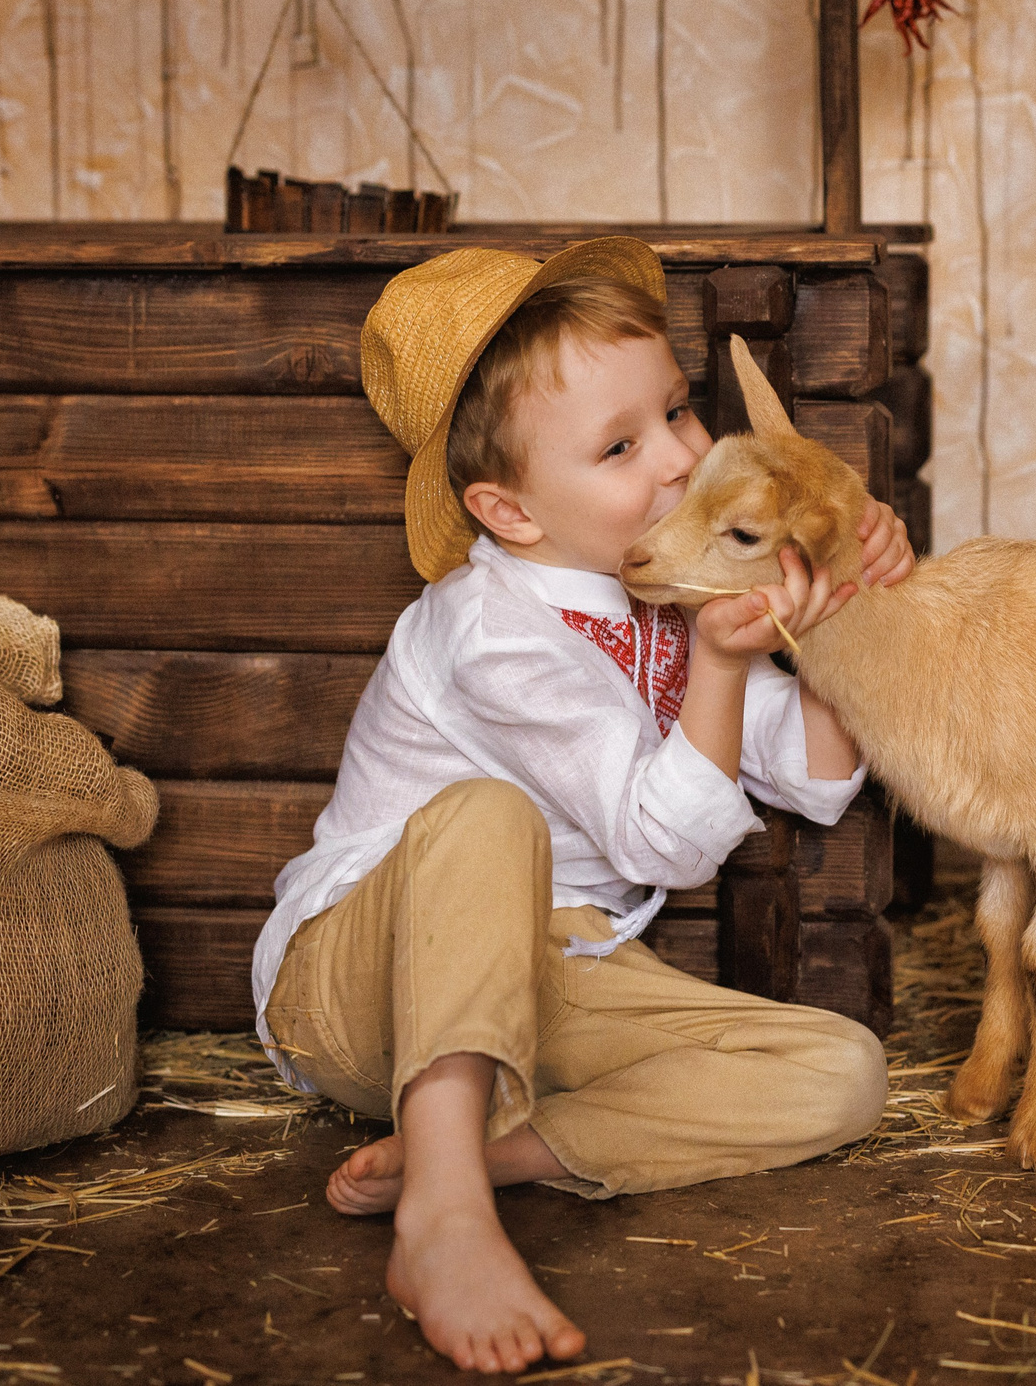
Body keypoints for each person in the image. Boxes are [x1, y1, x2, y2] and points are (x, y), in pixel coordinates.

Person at [253, 237, 912, 1373]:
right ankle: (445, 1217)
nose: (675, 460)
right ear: (507, 510)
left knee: (839, 1072)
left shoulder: (668, 594)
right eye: (619, 445)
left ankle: (492, 1152)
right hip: (366, 978)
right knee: (485, 816)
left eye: (677, 413)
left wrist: (846, 608)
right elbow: (660, 836)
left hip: (552, 978)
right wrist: (714, 662)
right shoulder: (488, 625)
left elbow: (811, 769)